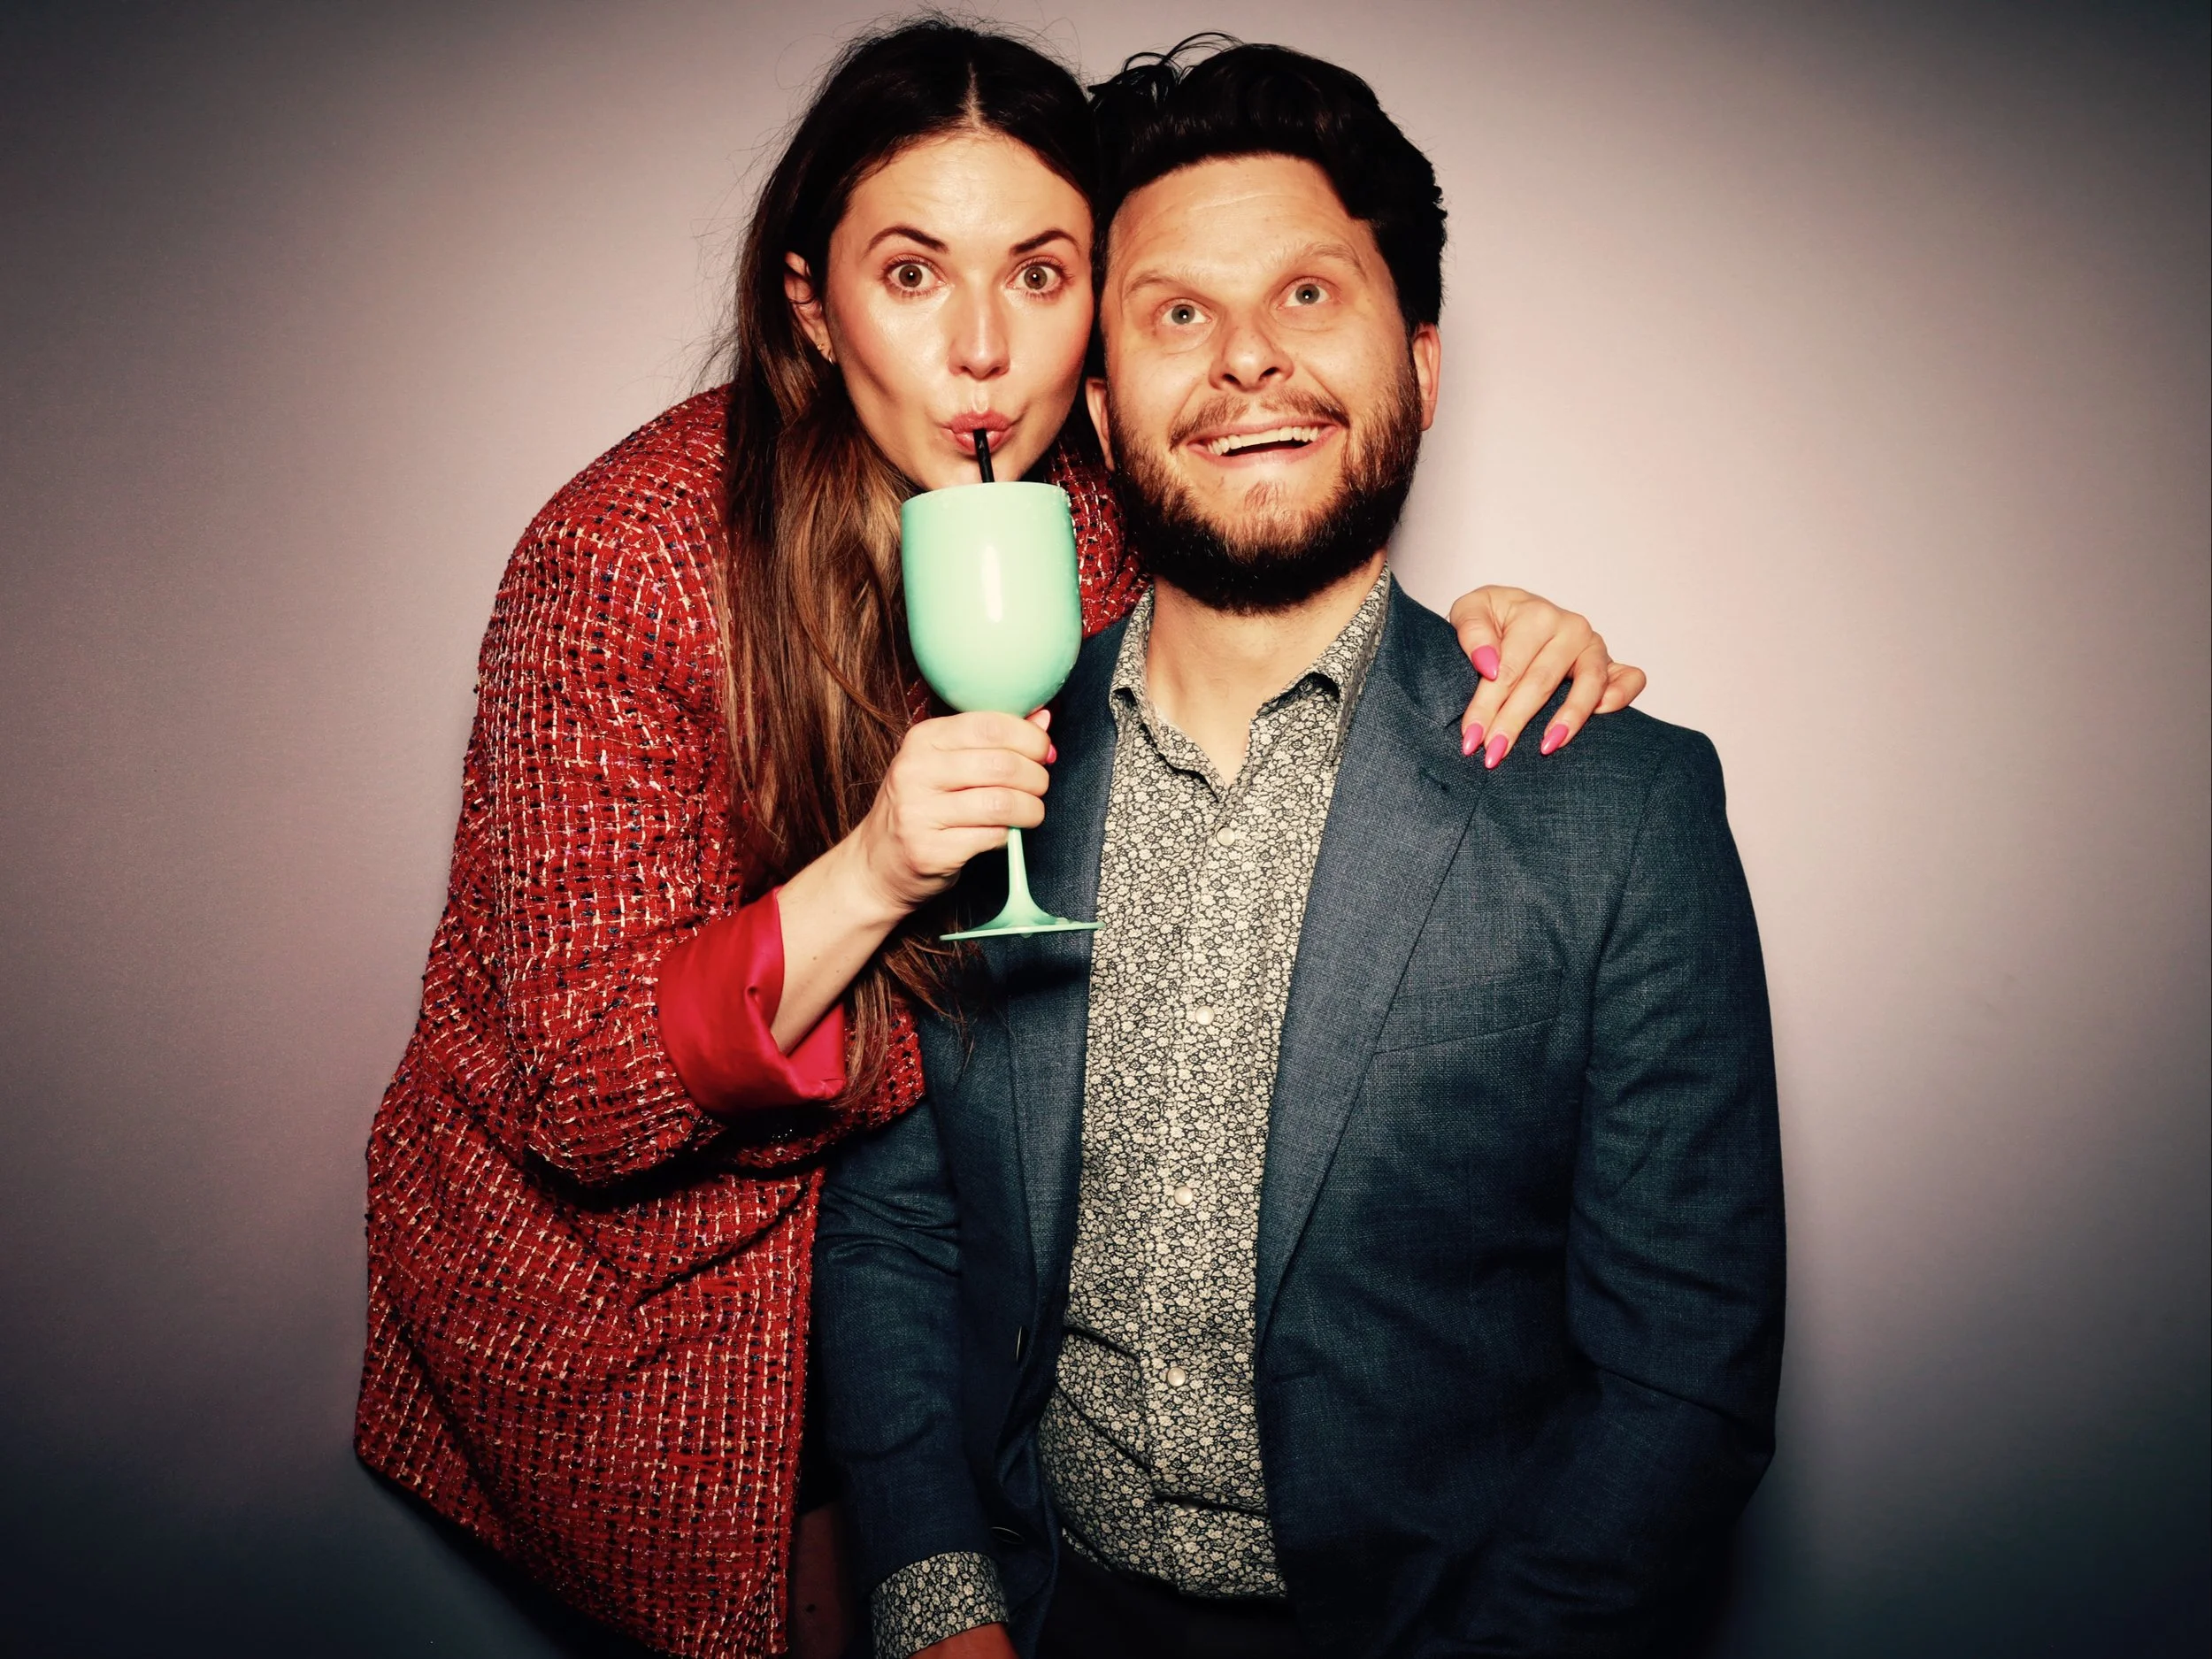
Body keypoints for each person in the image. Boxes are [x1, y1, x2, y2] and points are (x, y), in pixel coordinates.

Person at [353, 21, 1653, 1659]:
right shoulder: (630, 558)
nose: (981, 352)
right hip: (643, 1311)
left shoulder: (1094, 511)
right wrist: (873, 873)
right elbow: (585, 1089)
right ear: (813, 305)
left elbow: (1279, 592)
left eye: (1039, 276)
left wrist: (1491, 639)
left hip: (927, 1276)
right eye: (912, 276)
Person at [815, 39, 1786, 1659]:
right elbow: (897, 1232)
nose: (1249, 357)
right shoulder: (970, 781)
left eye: (1310, 296)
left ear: (1422, 362)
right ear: (1102, 405)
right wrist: (936, 1609)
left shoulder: (1624, 809)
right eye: (1177, 313)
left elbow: (1681, 1381)